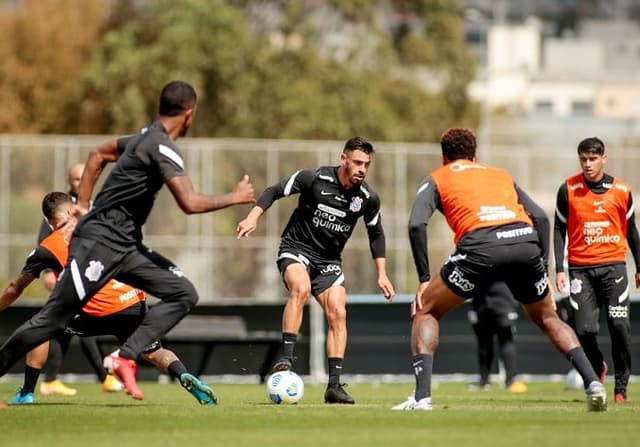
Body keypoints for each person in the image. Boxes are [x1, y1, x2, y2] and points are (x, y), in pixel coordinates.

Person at [0, 80, 255, 401]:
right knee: (48, 322)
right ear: (189, 114)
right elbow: (189, 203)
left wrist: (82, 204)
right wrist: (235, 196)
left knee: (183, 292)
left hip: (125, 248)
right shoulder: (162, 147)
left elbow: (97, 154)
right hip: (99, 245)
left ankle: (124, 356)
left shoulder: (142, 138)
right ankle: (125, 356)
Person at [392, 127, 607, 412]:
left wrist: (422, 279)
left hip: (480, 247)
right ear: (475, 154)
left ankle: (422, 398)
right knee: (547, 316)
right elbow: (541, 218)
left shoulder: (437, 177)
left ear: (444, 157)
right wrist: (542, 267)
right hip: (524, 243)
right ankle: (593, 383)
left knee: (426, 310)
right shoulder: (500, 174)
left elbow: (416, 224)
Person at [1, 192, 216, 405]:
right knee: (154, 352)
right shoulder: (102, 225)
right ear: (71, 210)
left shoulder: (47, 247)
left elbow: (14, 288)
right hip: (133, 302)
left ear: (50, 221)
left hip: (97, 312)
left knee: (42, 328)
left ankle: (27, 393)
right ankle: (184, 375)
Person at [236, 136, 395, 404]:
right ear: (343, 158)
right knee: (301, 287)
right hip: (296, 248)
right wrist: (253, 216)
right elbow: (273, 190)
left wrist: (382, 273)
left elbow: (376, 234)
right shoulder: (314, 178)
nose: (362, 169)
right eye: (357, 162)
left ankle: (333, 386)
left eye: (367, 164)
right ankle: (286, 358)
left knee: (338, 311)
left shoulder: (367, 198)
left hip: (329, 261)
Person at [553, 136, 640, 404]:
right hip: (580, 269)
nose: (588, 164)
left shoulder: (622, 191)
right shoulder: (568, 189)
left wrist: (639, 265)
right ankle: (598, 365)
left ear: (604, 158)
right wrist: (559, 268)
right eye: (583, 159)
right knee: (585, 329)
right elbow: (558, 229)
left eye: (593, 159)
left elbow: (632, 230)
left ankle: (621, 387)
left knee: (619, 327)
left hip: (613, 268)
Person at [36, 163, 122, 396]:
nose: (80, 182)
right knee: (80, 319)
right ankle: (104, 376)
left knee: (66, 327)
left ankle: (50, 379)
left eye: (83, 177)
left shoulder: (98, 203)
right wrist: (46, 272)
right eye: (75, 179)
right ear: (69, 181)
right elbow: (46, 241)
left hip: (94, 274)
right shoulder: (62, 208)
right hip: (70, 275)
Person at [466, 281, 527, 393]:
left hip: (504, 302)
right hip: (481, 303)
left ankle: (511, 380)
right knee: (484, 343)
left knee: (506, 341)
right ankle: (484, 381)